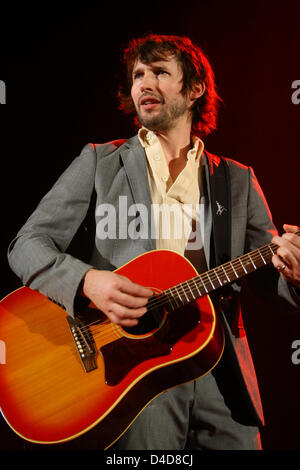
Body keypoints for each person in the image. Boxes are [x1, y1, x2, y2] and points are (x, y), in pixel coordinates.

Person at [7, 34, 300, 450]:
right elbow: (27, 243)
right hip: (137, 378)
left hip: (224, 381)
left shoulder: (238, 179)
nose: (144, 83)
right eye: (137, 75)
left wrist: (296, 274)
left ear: (195, 89)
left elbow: (273, 283)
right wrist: (89, 282)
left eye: (160, 73)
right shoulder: (99, 160)